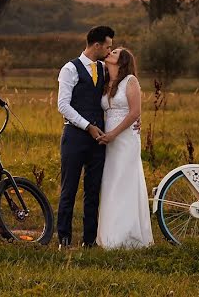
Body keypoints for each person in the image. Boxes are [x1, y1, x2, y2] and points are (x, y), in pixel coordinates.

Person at [56, 25, 114, 249]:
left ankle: (89, 241)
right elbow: (63, 105)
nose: (110, 51)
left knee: (93, 190)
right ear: (96, 45)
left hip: (98, 139)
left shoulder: (103, 68)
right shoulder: (69, 69)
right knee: (69, 189)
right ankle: (64, 239)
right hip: (75, 137)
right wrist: (87, 126)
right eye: (107, 47)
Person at [95, 47, 154, 249]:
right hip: (109, 140)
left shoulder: (130, 81)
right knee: (111, 182)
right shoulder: (106, 80)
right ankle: (110, 234)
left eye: (115, 53)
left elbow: (135, 112)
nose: (110, 52)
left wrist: (113, 134)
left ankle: (128, 236)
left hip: (125, 138)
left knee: (125, 181)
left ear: (122, 61)